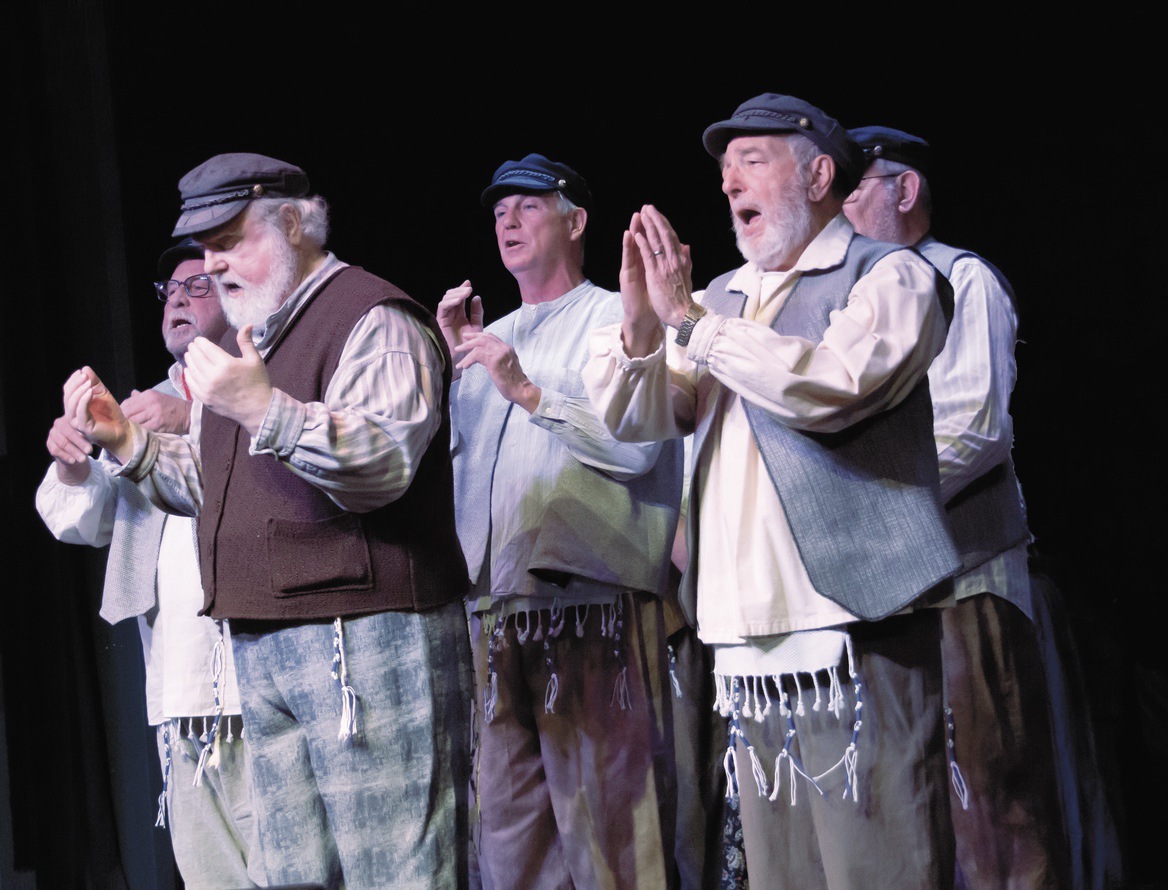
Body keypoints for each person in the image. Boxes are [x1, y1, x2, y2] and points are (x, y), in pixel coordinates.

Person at [59, 152, 474, 889]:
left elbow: (380, 463)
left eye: (230, 240)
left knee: (394, 872)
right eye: (206, 249)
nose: (214, 266)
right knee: (291, 877)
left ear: (294, 222)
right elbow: (216, 487)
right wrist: (124, 441)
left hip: (367, 642)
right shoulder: (241, 346)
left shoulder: (370, 317)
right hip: (262, 640)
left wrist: (262, 407)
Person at [583, 93, 962, 888]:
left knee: (879, 867)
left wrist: (691, 323)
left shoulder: (890, 275)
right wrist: (642, 328)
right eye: (724, 175)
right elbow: (642, 416)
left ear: (820, 173)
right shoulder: (720, 298)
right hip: (747, 651)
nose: (729, 187)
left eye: (752, 164)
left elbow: (833, 386)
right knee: (782, 875)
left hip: (854, 633)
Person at [437, 153, 684, 889]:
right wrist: (453, 371)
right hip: (499, 613)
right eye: (498, 211)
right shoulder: (492, 334)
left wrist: (524, 387)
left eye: (528, 206)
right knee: (510, 843)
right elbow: (465, 486)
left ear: (576, 221)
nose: (506, 220)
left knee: (612, 839)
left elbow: (638, 446)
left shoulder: (620, 316)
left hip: (592, 604)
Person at [842, 124, 1076, 888]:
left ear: (902, 191)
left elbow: (975, 427)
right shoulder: (847, 305)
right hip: (885, 596)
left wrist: (864, 511)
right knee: (904, 804)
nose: (835, 208)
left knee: (992, 798)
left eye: (853, 187)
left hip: (966, 582)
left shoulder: (961, 278)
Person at [36, 238, 265, 889]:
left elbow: (297, 465)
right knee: (208, 873)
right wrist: (72, 462)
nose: (179, 301)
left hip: (257, 676)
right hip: (179, 681)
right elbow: (82, 520)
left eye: (197, 286)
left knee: (282, 867)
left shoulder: (268, 384)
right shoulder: (143, 403)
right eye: (171, 292)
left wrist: (191, 417)